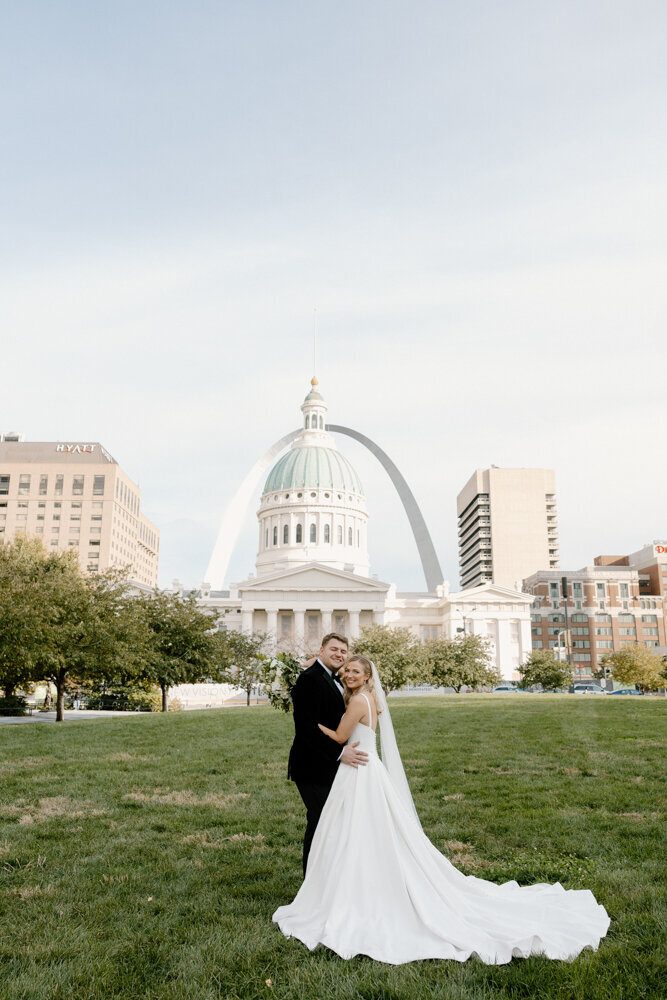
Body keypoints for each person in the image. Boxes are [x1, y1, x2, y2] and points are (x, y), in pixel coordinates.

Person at [274, 655, 610, 965]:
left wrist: (312, 724)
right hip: (366, 768)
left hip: (358, 771)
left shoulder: (358, 701)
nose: (348, 674)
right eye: (346, 670)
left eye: (355, 672)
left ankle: (356, 890)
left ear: (366, 677)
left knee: (355, 829)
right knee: (364, 829)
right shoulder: (369, 700)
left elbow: (339, 736)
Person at [287, 633, 368, 874]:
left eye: (343, 651)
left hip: (327, 766)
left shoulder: (335, 677)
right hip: (311, 765)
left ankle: (326, 880)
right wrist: (339, 753)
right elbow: (306, 728)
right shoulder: (310, 679)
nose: (339, 655)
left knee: (329, 823)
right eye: (333, 649)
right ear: (321, 651)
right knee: (321, 823)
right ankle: (311, 882)